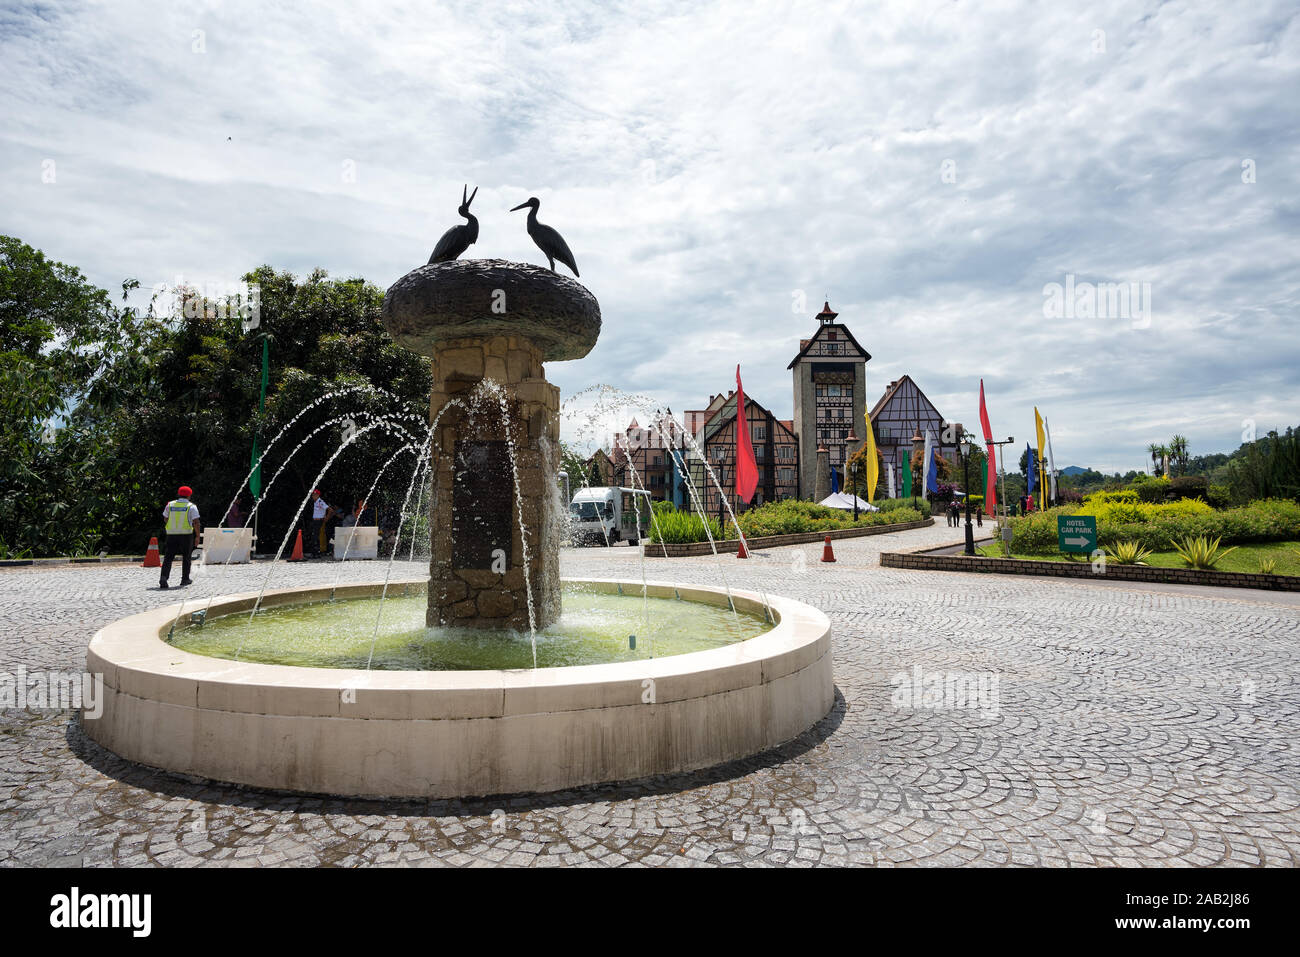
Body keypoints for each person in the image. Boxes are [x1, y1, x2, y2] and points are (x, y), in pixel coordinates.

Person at [159, 485, 200, 589]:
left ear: (179, 494)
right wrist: (197, 536)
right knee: (186, 557)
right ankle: (185, 579)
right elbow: (196, 522)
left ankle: (163, 577)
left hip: (172, 535)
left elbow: (165, 518)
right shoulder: (191, 506)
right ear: (189, 495)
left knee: (168, 557)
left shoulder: (170, 505)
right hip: (186, 535)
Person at [309, 489, 334, 557]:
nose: (313, 496)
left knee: (316, 536)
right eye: (313, 495)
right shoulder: (316, 502)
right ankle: (315, 552)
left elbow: (330, 510)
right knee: (314, 536)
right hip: (315, 521)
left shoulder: (320, 501)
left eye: (315, 495)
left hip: (319, 521)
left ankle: (317, 552)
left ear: (318, 495)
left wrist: (326, 518)